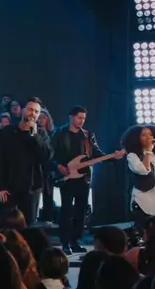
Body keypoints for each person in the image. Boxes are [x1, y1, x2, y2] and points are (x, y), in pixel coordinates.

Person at [51, 106, 124, 255]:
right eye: (79, 118)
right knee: (66, 211)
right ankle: (64, 242)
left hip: (83, 178)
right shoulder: (59, 133)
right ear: (71, 117)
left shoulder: (88, 136)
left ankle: (75, 241)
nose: (81, 121)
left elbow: (97, 153)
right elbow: (50, 154)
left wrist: (112, 157)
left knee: (81, 211)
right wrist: (58, 166)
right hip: (66, 177)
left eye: (83, 118)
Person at [0, 97, 52, 228]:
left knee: (28, 226)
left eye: (36, 112)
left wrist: (34, 135)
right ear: (23, 110)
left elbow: (46, 157)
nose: (33, 114)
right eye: (30, 110)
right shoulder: (7, 132)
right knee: (3, 224)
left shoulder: (41, 134)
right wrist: (0, 187)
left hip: (31, 187)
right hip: (9, 186)